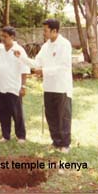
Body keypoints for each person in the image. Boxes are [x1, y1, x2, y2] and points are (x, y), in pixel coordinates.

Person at [14, 19, 73, 153]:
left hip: (62, 87)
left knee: (63, 116)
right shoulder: (46, 46)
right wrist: (21, 57)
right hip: (48, 87)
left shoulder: (65, 44)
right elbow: (36, 63)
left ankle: (65, 144)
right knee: (51, 115)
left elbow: (63, 67)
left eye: (45, 30)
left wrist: (44, 71)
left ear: (54, 31)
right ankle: (56, 141)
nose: (43, 33)